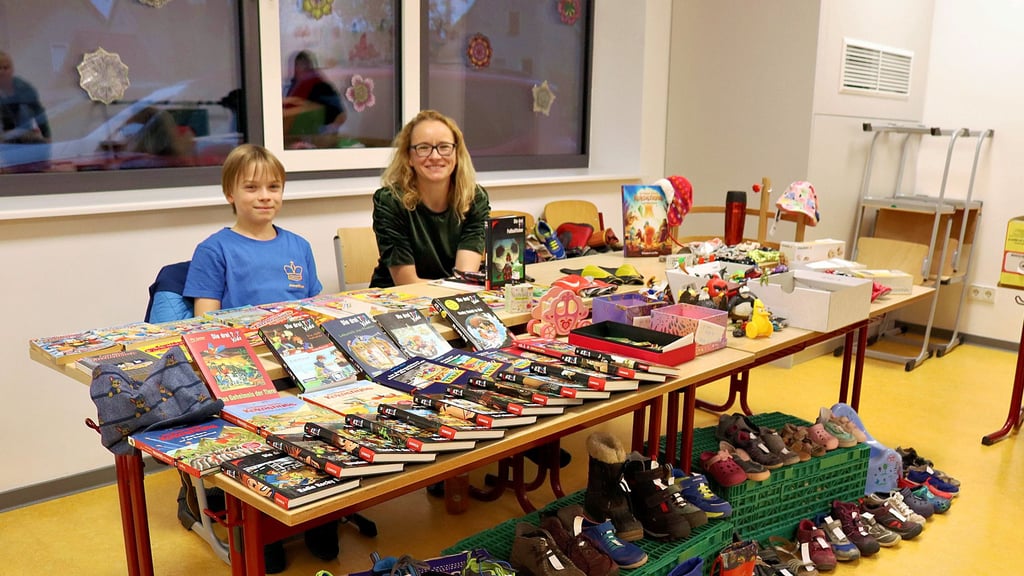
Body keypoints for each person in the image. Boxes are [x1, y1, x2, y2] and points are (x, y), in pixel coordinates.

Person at [182, 143, 334, 573]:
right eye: (251, 188)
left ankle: (321, 514)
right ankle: (263, 526)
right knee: (263, 446)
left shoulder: (299, 246)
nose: (265, 196)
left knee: (322, 428)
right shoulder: (215, 249)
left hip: (298, 363)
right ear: (229, 193)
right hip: (248, 374)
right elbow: (205, 323)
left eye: (274, 187)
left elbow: (313, 310)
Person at [370, 109, 490, 288]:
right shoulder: (390, 201)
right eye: (423, 148)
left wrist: (457, 288)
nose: (435, 156)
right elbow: (408, 284)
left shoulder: (474, 198)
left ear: (456, 154)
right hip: (399, 298)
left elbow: (464, 278)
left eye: (444, 147)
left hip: (453, 296)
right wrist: (456, 287)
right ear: (409, 157)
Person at [283, 50, 346, 143]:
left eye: (303, 66)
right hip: (294, 140)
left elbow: (341, 115)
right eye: (296, 66)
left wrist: (326, 132)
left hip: (317, 142)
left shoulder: (322, 87)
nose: (296, 70)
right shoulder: (293, 86)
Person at [0, 50, 51, 144]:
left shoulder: (24, 88)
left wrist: (46, 135)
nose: (2, 71)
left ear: (12, 69)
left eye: (6, 68)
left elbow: (39, 113)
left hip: (25, 135)